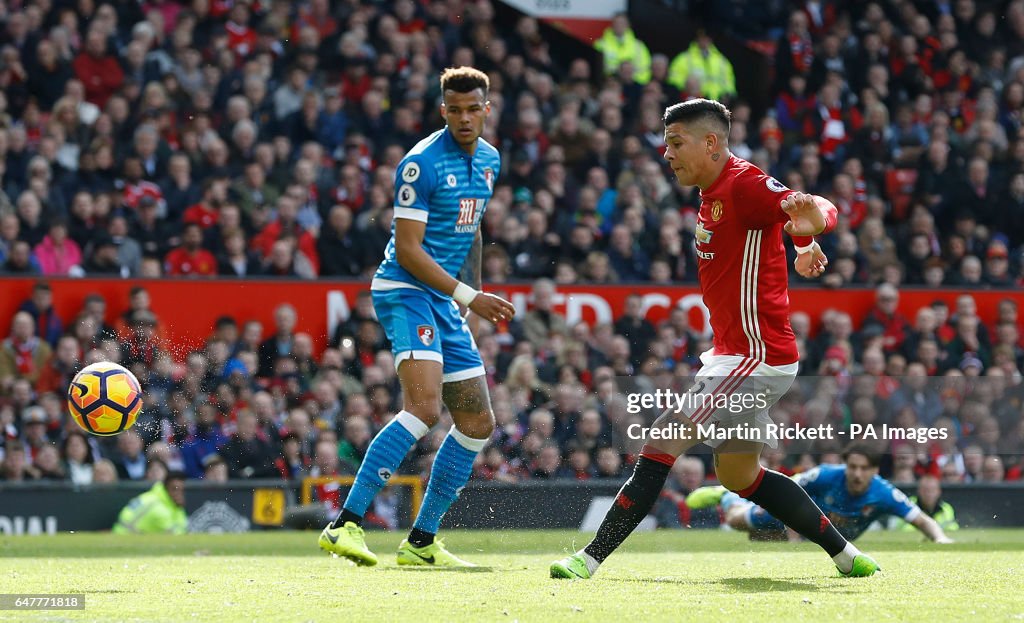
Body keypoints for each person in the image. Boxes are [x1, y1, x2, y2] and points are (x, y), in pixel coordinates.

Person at [550, 98, 880, 580]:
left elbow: (815, 206)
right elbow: (787, 223)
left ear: (711, 143)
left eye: (676, 143)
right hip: (740, 355)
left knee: (661, 440)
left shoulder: (745, 184)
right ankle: (848, 558)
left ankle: (590, 558)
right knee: (739, 476)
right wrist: (803, 244)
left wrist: (813, 228)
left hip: (754, 357)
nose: (668, 154)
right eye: (666, 145)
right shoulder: (711, 191)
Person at [318, 67, 514, 568]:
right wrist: (470, 296)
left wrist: (468, 296)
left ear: (487, 110)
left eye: (474, 109)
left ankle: (421, 542)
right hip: (405, 290)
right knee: (424, 409)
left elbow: (470, 231)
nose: (464, 118)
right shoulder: (420, 163)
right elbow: (407, 250)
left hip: (444, 300)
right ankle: (345, 524)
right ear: (442, 109)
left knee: (476, 421)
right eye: (455, 109)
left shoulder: (490, 160)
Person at [687, 445, 955, 543]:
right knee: (736, 522)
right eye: (852, 467)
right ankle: (728, 494)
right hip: (786, 516)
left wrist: (940, 539)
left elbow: (921, 520)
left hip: (814, 535)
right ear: (845, 465)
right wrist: (793, 539)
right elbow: (784, 489)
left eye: (864, 469)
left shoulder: (884, 492)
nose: (857, 474)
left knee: (760, 540)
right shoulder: (825, 474)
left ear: (874, 470)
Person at [112, 471, 188, 534]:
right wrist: (179, 509)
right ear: (166, 488)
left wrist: (178, 507)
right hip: (125, 538)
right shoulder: (159, 510)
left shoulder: (153, 496)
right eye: (174, 489)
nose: (178, 493)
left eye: (181, 490)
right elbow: (178, 535)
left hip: (123, 534)